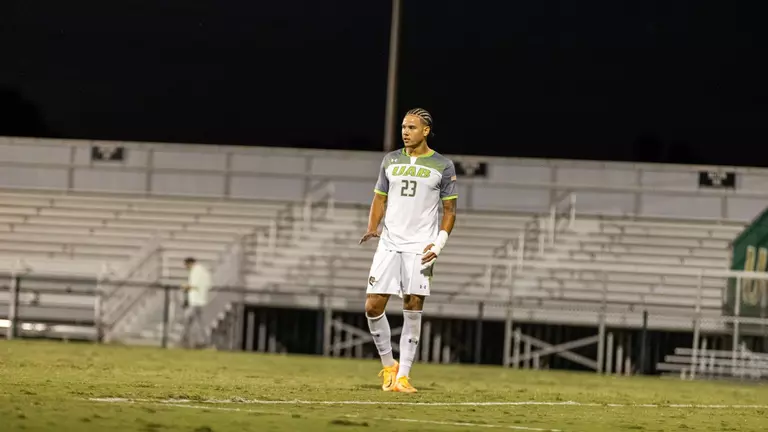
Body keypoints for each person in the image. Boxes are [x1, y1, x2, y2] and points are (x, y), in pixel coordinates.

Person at [359, 108, 458, 393]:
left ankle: (403, 375)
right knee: (372, 306)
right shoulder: (390, 160)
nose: (405, 131)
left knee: (412, 306)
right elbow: (380, 198)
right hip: (389, 243)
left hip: (420, 246)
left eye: (412, 127)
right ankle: (388, 365)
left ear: (425, 131)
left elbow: (450, 211)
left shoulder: (443, 165)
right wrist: (372, 226)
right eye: (403, 127)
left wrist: (438, 244)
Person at [180, 257, 212, 349]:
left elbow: (193, 285)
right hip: (201, 300)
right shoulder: (204, 271)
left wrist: (185, 287)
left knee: (187, 320)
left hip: (195, 301)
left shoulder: (195, 271)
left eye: (186, 265)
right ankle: (204, 341)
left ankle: (185, 341)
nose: (186, 267)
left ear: (189, 263)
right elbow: (209, 284)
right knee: (200, 323)